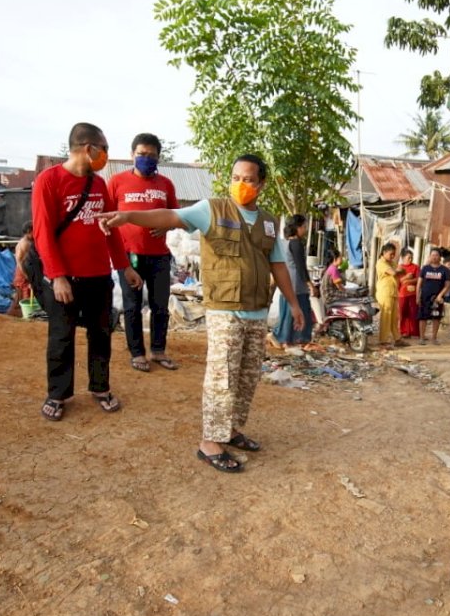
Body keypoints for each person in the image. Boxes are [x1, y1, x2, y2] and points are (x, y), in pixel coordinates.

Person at [101, 154, 303, 473]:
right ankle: (210, 442)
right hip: (225, 310)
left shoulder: (268, 220)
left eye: (248, 179)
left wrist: (293, 303)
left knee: (247, 377)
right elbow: (169, 215)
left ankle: (231, 430)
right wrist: (127, 216)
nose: (240, 185)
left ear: (260, 184)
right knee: (222, 375)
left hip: (256, 311)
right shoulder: (212, 209)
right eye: (235, 178)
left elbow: (277, 264)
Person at [31, 122, 136, 422]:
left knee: (100, 334)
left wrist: (123, 267)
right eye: (103, 148)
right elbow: (43, 234)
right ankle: (58, 394)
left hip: (98, 275)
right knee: (61, 337)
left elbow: (111, 231)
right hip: (66, 278)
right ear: (88, 148)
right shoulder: (48, 181)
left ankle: (100, 388)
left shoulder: (99, 185)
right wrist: (58, 275)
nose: (105, 154)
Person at [110, 132, 179, 372]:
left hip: (159, 256)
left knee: (160, 305)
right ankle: (137, 353)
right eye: (141, 154)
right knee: (132, 305)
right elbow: (107, 218)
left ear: (159, 158)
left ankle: (158, 351)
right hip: (129, 256)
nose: (146, 159)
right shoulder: (117, 182)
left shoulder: (166, 185)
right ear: (132, 155)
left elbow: (177, 217)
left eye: (151, 155)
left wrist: (167, 224)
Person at [269, 215, 315, 350]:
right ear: (297, 228)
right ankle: (289, 339)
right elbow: (301, 267)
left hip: (286, 285)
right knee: (298, 313)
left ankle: (284, 339)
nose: (305, 230)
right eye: (304, 227)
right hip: (297, 286)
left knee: (286, 314)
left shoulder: (283, 243)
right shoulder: (296, 244)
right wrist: (310, 285)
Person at [418, 248, 450, 345]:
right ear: (430, 256)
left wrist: (440, 295)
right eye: (432, 255)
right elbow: (419, 283)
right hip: (424, 297)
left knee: (436, 318)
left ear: (440, 257)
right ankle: (421, 338)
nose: (434, 257)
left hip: (437, 299)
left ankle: (434, 338)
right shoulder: (425, 268)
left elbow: (448, 285)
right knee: (422, 317)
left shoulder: (444, 270)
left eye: (436, 255)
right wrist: (417, 296)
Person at [375, 243, 402, 348]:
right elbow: (395, 273)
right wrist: (399, 271)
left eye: (394, 254)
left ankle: (397, 338)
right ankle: (383, 340)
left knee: (394, 317)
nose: (392, 256)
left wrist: (400, 271)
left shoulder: (391, 262)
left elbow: (400, 271)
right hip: (385, 292)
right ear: (384, 252)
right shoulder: (381, 263)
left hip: (393, 292)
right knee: (386, 316)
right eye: (391, 254)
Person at [8, 221, 35, 317]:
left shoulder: (29, 242)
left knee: (21, 297)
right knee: (24, 297)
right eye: (33, 231)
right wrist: (27, 276)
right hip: (22, 273)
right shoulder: (24, 243)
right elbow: (19, 262)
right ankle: (23, 316)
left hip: (27, 272)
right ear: (29, 231)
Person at [398, 249, 420, 339]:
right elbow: (398, 280)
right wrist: (406, 277)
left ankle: (414, 332)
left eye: (411, 257)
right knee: (403, 313)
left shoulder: (416, 267)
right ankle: (403, 331)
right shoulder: (399, 268)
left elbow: (419, 279)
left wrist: (409, 280)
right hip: (402, 293)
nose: (410, 259)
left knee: (413, 313)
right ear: (403, 258)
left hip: (412, 293)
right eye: (408, 258)